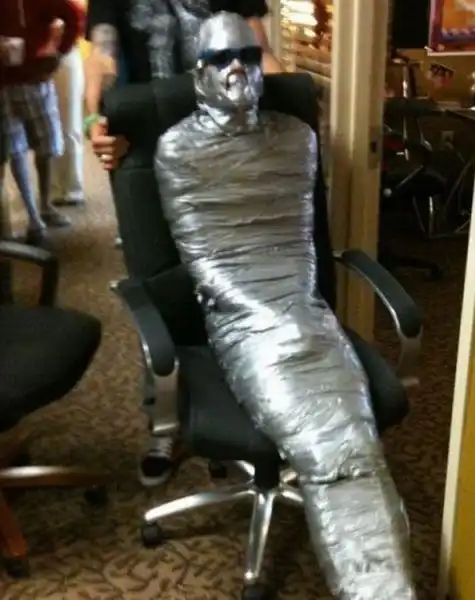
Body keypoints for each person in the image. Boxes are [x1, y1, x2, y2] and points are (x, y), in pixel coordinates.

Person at [155, 13, 417, 599]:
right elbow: (208, 267)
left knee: (356, 448)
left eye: (248, 56)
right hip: (244, 320)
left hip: (305, 310)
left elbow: (297, 250)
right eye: (220, 59)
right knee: (326, 455)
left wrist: (300, 316)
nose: (236, 70)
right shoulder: (178, 150)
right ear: (198, 72)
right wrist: (275, 319)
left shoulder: (295, 138)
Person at [84, 0, 282, 488]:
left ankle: (234, 407)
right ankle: (167, 423)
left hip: (227, 148)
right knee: (161, 290)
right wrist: (95, 119)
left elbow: (259, 50)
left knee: (232, 284)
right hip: (145, 155)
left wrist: (289, 98)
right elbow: (102, 57)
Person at [0, 1, 85, 244]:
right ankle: (34, 216)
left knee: (46, 147)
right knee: (15, 150)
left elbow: (75, 16)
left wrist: (58, 52)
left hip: (37, 81)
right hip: (3, 85)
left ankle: (45, 206)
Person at [51, 6, 86, 207]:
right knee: (48, 128)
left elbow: (78, 19)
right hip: (37, 60)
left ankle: (73, 188)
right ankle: (54, 187)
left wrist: (61, 44)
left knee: (70, 125)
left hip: (65, 56)